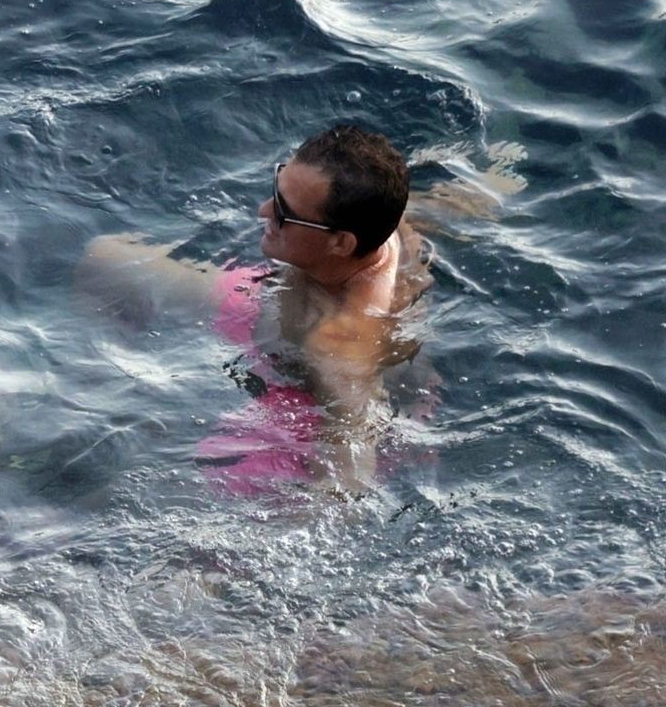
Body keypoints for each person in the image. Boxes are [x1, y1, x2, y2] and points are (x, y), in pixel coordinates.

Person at [78, 124, 522, 492]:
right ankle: (106, 373)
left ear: (341, 243)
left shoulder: (340, 346)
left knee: (206, 478)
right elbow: (459, 203)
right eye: (276, 188)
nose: (262, 211)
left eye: (284, 213)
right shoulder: (385, 220)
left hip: (301, 400)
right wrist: (508, 162)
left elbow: (349, 476)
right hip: (266, 299)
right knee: (102, 258)